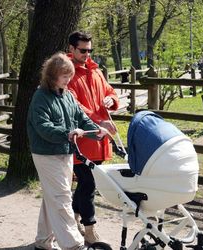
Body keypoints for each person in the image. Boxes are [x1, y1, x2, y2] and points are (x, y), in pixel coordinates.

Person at [27, 52, 108, 250]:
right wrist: (68, 133)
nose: (69, 80)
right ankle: (74, 244)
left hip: (65, 151)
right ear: (52, 75)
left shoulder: (68, 95)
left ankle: (43, 241)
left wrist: (95, 130)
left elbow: (80, 117)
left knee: (53, 196)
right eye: (65, 76)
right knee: (62, 196)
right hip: (46, 154)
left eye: (70, 76)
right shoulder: (40, 97)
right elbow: (43, 127)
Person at [67, 31, 120, 244]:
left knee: (88, 184)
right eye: (83, 50)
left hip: (99, 139)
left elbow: (110, 91)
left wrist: (110, 100)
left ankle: (73, 217)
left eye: (90, 50)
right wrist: (98, 123)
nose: (87, 54)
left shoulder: (95, 70)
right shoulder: (66, 73)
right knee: (88, 185)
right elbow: (74, 107)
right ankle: (89, 231)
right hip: (82, 141)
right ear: (71, 49)